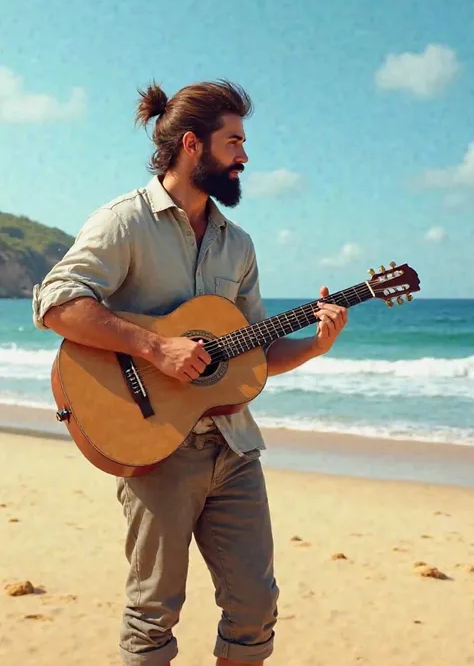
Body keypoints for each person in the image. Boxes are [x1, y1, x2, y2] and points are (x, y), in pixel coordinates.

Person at [32, 79, 348, 666]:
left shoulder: (239, 245)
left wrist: (312, 347)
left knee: (255, 609)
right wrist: (155, 347)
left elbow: (252, 353)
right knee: (153, 614)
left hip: (234, 447)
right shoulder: (125, 222)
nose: (245, 156)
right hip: (154, 445)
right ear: (192, 145)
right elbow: (56, 303)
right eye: (234, 142)